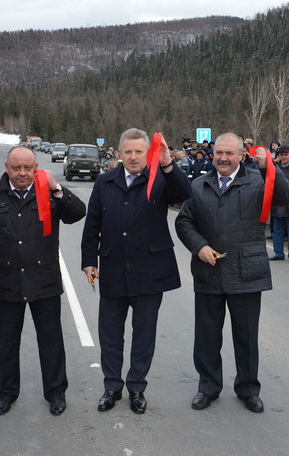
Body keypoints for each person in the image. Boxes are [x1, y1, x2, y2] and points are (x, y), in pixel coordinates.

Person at [175, 132, 289, 414]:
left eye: (229, 153)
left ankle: (248, 389)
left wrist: (269, 167)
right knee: (206, 336)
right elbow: (183, 222)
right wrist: (199, 246)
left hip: (247, 272)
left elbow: (286, 198)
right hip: (209, 271)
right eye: (218, 153)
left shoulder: (257, 180)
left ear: (242, 155)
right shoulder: (199, 185)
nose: (223, 158)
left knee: (246, 336)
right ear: (212, 154)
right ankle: (208, 386)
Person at [81, 128, 190, 415]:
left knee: (144, 335)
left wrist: (167, 163)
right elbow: (93, 222)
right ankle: (112, 387)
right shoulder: (105, 182)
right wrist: (88, 260)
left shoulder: (159, 179)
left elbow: (183, 193)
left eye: (138, 152)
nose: (132, 157)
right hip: (114, 268)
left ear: (147, 153)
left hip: (149, 271)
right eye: (127, 152)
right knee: (110, 334)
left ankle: (137, 388)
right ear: (119, 154)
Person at [0, 146, 85, 417]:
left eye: (28, 168)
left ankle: (56, 393)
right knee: (7, 343)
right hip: (5, 281)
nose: (22, 173)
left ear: (36, 168)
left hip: (44, 280)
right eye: (16, 168)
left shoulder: (48, 193)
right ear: (7, 168)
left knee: (51, 341)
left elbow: (77, 213)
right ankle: (6, 393)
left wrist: (57, 189)